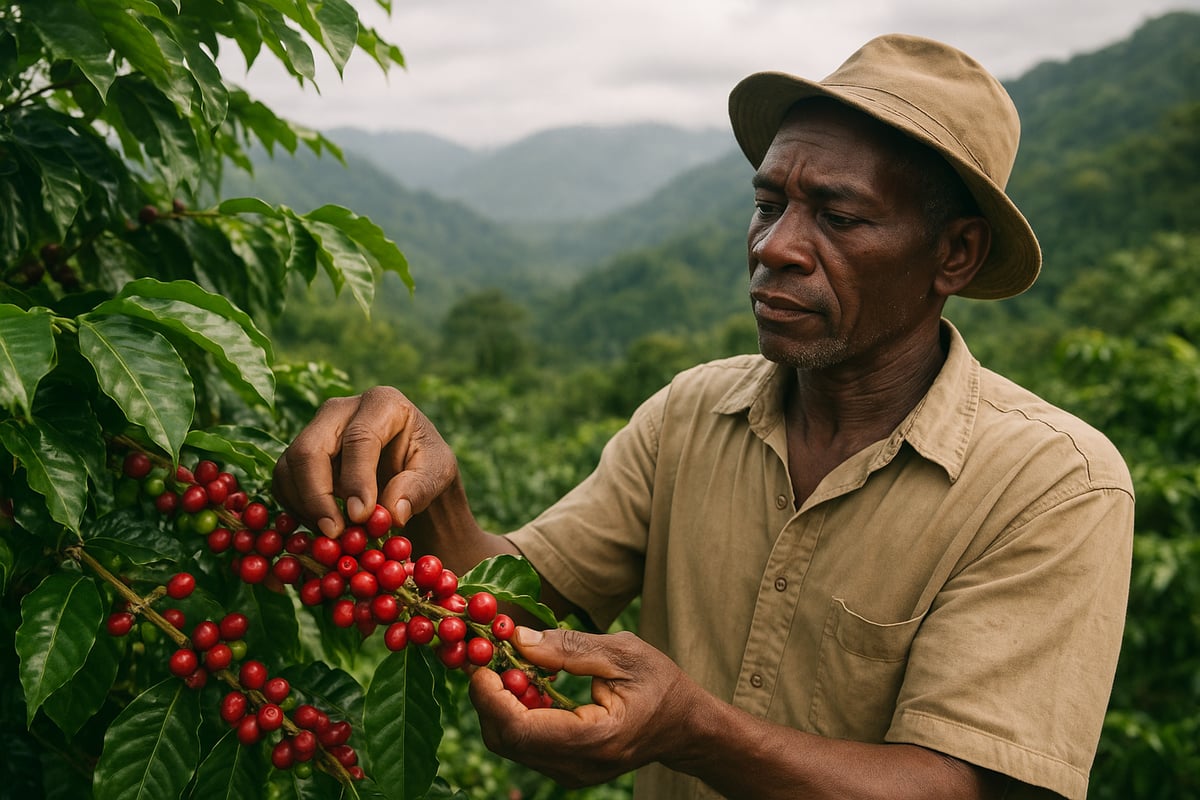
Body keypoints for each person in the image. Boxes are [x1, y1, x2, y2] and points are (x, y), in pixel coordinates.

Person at [273, 33, 1134, 800]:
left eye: (837, 217)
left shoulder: (1052, 485)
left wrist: (694, 730)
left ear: (955, 253)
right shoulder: (692, 413)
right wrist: (427, 499)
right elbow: (532, 609)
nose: (774, 247)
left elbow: (963, 787)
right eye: (768, 204)